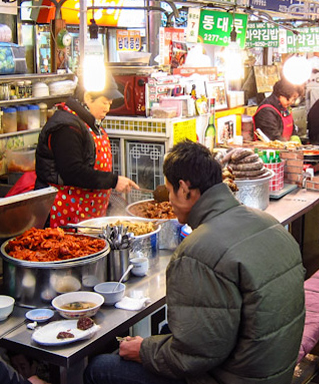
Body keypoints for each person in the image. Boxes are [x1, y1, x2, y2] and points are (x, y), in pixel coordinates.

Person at [85, 140, 305, 384]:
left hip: (232, 378)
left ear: (184, 188)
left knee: (100, 367)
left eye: (169, 190)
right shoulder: (270, 223)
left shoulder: (197, 252)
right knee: (166, 332)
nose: (168, 199)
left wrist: (143, 350)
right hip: (274, 372)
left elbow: (193, 357)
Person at [34, 75, 138, 228]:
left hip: (87, 213)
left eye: (110, 103)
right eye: (104, 102)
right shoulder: (66, 127)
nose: (107, 108)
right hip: (64, 213)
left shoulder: (88, 123)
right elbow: (73, 172)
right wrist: (113, 181)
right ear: (88, 97)